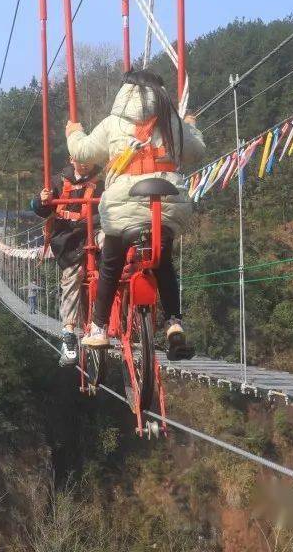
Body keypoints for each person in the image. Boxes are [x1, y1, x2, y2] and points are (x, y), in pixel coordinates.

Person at [64, 71, 204, 360]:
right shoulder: (171, 121)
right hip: (166, 206)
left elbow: (83, 151)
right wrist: (190, 126)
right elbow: (197, 151)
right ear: (161, 92)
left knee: (111, 266)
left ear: (125, 92)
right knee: (164, 263)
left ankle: (99, 328)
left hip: (123, 207)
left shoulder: (113, 123)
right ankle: (175, 326)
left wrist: (73, 132)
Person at [31, 158, 103, 366]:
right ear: (72, 159)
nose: (85, 164)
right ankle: (69, 333)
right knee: (73, 275)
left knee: (113, 248)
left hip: (95, 231)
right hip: (68, 238)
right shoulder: (57, 181)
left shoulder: (101, 182)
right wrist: (41, 200)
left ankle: (112, 317)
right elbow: (40, 208)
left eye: (89, 159)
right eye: (80, 160)